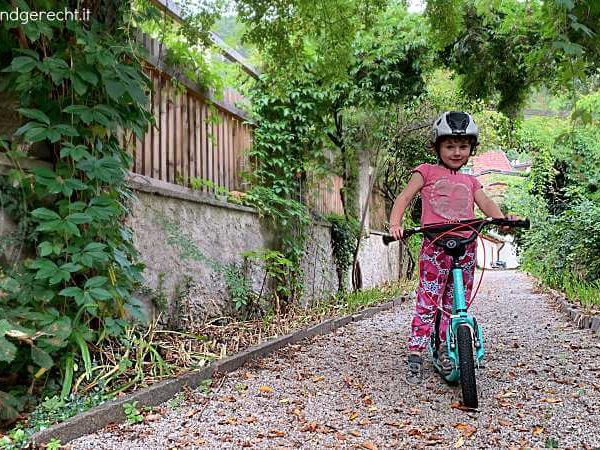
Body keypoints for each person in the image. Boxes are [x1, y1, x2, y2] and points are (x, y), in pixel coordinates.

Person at [388, 111, 507, 384]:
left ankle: (445, 346)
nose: (456, 152)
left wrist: (501, 219)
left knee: (456, 303)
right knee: (428, 301)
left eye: (463, 146)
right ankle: (416, 354)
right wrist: (395, 224)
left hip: (465, 247)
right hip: (435, 246)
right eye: (450, 145)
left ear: (471, 149)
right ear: (437, 147)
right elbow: (404, 197)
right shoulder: (425, 172)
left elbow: (487, 204)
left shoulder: (471, 181)